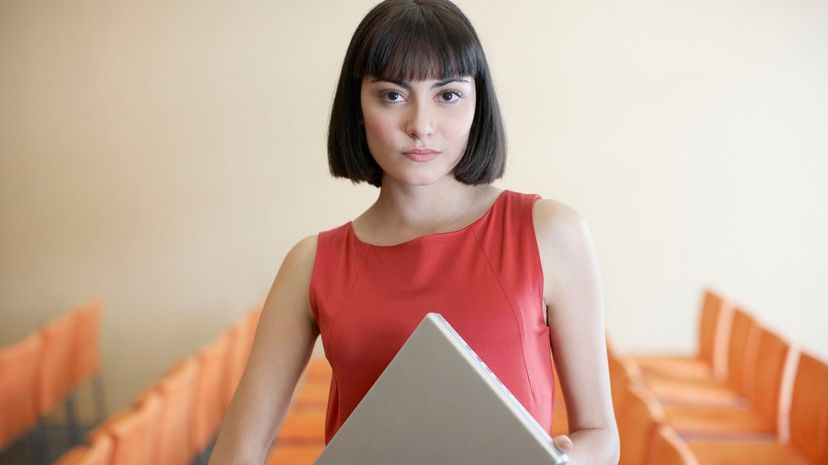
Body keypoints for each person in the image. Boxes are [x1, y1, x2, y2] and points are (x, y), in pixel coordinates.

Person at [208, 1, 619, 464]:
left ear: (477, 102)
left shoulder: (550, 233)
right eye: (392, 95)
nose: (420, 126)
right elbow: (235, 452)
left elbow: (600, 434)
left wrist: (568, 461)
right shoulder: (310, 264)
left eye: (447, 95)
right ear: (357, 105)